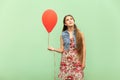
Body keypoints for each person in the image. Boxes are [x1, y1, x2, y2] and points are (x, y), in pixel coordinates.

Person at [48, 14, 86, 80]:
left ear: (74, 21)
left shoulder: (80, 34)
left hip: (76, 60)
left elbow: (84, 48)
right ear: (65, 24)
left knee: (78, 77)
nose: (70, 20)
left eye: (71, 19)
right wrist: (53, 49)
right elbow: (62, 49)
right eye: (67, 20)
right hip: (66, 61)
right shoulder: (63, 35)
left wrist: (83, 62)